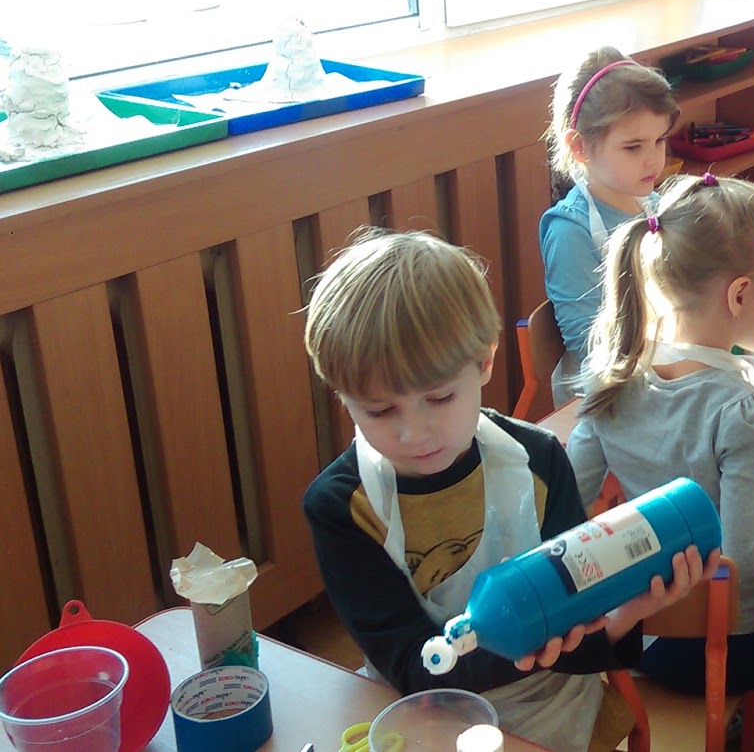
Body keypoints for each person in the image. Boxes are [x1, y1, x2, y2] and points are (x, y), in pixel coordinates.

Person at [301, 229, 713, 752]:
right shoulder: (343, 507)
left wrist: (622, 613)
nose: (414, 433)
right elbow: (412, 667)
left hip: (549, 704)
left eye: (440, 398)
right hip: (423, 714)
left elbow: (583, 635)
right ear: (342, 397)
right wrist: (528, 640)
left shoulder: (537, 459)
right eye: (380, 411)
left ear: (485, 362)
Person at [566, 173, 754, 700]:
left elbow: (567, 502)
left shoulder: (611, 379)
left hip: (636, 636)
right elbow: (748, 555)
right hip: (720, 643)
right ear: (741, 295)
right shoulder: (740, 409)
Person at [540, 47, 679, 404]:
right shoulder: (570, 230)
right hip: (605, 395)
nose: (653, 160)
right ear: (580, 146)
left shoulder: (653, 203)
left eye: (659, 141)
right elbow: (589, 345)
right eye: (633, 147)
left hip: (663, 369)